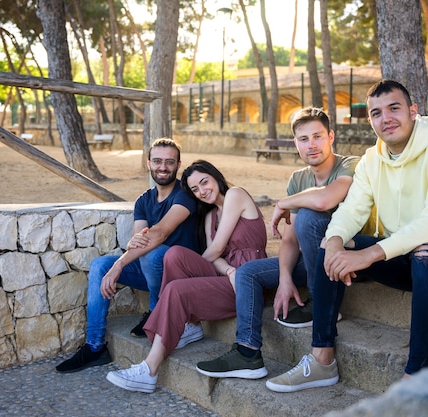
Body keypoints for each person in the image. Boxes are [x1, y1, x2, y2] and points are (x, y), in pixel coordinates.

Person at [265, 79, 428, 393]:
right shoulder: (372, 160)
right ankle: (322, 359)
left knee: (427, 251)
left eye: (394, 108)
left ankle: (416, 379)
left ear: (412, 112)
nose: (385, 118)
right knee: (331, 245)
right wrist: (334, 241)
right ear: (370, 120)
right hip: (404, 258)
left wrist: (369, 254)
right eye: (376, 113)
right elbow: (351, 211)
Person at [196, 107, 359, 379]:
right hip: (311, 262)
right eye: (303, 139)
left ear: (331, 136)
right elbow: (291, 238)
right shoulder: (298, 178)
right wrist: (284, 278)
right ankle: (247, 352)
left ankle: (320, 301)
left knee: (308, 216)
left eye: (318, 136)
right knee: (248, 272)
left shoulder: (350, 164)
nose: (312, 145)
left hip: (349, 257)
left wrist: (284, 202)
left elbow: (324, 200)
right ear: (295, 143)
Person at [104, 159, 268, 393]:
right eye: (195, 189)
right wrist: (230, 270)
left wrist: (234, 271)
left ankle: (150, 369)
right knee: (175, 254)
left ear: (216, 177)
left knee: (175, 289)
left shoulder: (236, 195)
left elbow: (217, 248)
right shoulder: (211, 215)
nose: (202, 191)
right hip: (230, 276)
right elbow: (216, 257)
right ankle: (186, 326)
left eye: (205, 182)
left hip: (250, 281)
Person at [56, 138, 199, 373]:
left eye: (169, 162)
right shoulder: (144, 200)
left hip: (181, 274)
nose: (163, 167)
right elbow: (138, 240)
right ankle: (94, 346)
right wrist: (120, 261)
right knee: (101, 264)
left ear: (178, 165)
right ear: (148, 163)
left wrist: (120, 265)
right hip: (151, 271)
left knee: (154, 254)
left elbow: (160, 233)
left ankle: (156, 316)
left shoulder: (184, 195)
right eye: (157, 161)